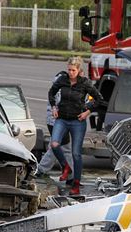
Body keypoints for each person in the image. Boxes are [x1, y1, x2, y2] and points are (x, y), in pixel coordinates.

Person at [48, 56, 104, 195]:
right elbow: (51, 93)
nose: (70, 72)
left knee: (76, 154)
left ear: (79, 70)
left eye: (73, 70)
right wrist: (54, 107)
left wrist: (88, 112)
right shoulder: (63, 80)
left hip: (78, 122)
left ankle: (76, 184)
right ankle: (66, 167)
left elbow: (99, 99)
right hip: (62, 119)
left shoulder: (85, 83)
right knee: (54, 144)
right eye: (69, 70)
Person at [36, 71, 74, 180]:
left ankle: (71, 176)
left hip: (53, 122)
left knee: (65, 148)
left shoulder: (57, 86)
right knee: (56, 148)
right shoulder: (61, 89)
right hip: (58, 122)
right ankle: (41, 170)